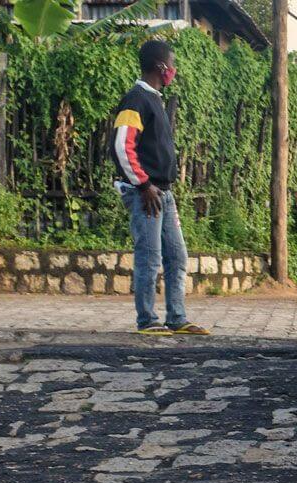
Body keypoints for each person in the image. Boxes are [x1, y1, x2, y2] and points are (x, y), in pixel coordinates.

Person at [111, 39, 209, 336]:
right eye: (171, 63)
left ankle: (177, 318)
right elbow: (122, 146)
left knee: (176, 256)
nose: (173, 69)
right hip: (147, 194)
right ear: (160, 66)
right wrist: (142, 185)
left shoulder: (154, 99)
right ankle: (147, 320)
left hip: (164, 193)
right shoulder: (136, 99)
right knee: (149, 257)